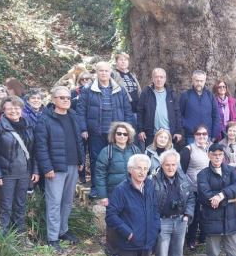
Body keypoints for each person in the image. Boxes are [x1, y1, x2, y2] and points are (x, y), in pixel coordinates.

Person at [106, 154, 160, 256]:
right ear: (130, 170)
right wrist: (128, 233)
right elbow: (111, 215)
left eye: (145, 168)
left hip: (146, 242)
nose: (142, 172)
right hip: (128, 244)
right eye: (138, 168)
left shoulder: (150, 186)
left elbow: (155, 209)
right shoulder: (121, 190)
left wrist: (155, 229)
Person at [35, 86, 85, 252]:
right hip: (55, 168)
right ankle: (52, 238)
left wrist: (81, 159)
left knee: (67, 201)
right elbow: (40, 146)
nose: (65, 100)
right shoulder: (45, 119)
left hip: (72, 165)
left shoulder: (73, 116)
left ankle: (63, 231)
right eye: (62, 98)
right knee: (54, 203)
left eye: (68, 98)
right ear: (53, 100)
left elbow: (78, 140)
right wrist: (47, 167)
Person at [77, 61, 135, 199]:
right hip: (96, 132)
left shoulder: (119, 90)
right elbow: (80, 111)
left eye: (106, 71)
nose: (103, 73)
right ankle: (96, 188)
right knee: (96, 160)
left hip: (116, 134)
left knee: (115, 160)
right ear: (96, 73)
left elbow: (127, 111)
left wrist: (128, 130)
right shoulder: (87, 90)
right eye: (101, 71)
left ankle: (115, 188)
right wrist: (83, 129)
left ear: (111, 72)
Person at [0, 96, 39, 239]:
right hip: (6, 174)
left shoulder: (28, 124)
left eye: (16, 108)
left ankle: (20, 236)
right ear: (3, 110)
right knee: (5, 208)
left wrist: (35, 170)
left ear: (21, 109)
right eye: (9, 108)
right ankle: (3, 240)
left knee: (20, 206)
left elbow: (34, 151)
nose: (13, 111)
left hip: (24, 173)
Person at [149, 150, 195, 256]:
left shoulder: (183, 177)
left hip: (180, 221)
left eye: (173, 164)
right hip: (163, 222)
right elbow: (150, 203)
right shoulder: (154, 180)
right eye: (167, 165)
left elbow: (191, 198)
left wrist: (188, 215)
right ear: (162, 165)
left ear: (177, 164)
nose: (170, 167)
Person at [197, 143, 236, 256]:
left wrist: (222, 195)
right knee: (213, 254)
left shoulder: (230, 171)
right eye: (214, 154)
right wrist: (230, 199)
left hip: (230, 220)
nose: (217, 157)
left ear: (223, 156)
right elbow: (206, 196)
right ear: (209, 155)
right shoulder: (202, 174)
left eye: (220, 155)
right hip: (212, 220)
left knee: (234, 252)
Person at [94, 122, 142, 207]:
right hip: (113, 194)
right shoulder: (106, 152)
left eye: (125, 134)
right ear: (114, 135)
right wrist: (103, 196)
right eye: (119, 133)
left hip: (133, 193)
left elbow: (142, 172)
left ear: (129, 136)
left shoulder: (136, 151)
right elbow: (100, 175)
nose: (122, 136)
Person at [180, 125, 211, 250]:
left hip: (208, 188)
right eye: (199, 134)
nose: (201, 136)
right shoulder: (188, 150)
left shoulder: (211, 148)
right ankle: (191, 239)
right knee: (195, 214)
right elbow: (182, 170)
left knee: (207, 214)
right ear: (194, 136)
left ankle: (204, 238)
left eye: (204, 134)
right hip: (193, 188)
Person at [135, 67, 183, 147]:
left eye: (161, 77)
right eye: (156, 77)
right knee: (152, 157)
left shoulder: (171, 93)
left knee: (168, 158)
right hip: (151, 134)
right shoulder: (146, 93)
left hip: (169, 134)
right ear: (152, 79)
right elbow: (140, 112)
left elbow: (177, 113)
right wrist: (140, 130)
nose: (159, 79)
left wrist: (178, 131)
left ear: (165, 79)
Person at [180, 70, 221, 143]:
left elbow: (216, 116)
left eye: (201, 81)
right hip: (191, 136)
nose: (199, 83)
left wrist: (214, 135)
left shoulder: (210, 96)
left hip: (207, 136)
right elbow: (179, 115)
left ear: (205, 81)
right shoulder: (185, 95)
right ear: (192, 80)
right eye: (197, 81)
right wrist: (187, 126)